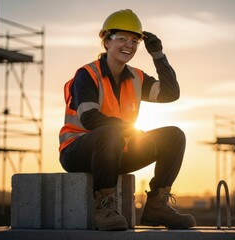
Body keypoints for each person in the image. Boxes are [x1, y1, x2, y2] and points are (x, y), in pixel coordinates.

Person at [59, 9, 196, 231]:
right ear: (106, 42)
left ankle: (156, 205)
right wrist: (130, 131)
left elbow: (171, 93)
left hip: (115, 151)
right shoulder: (87, 74)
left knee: (174, 136)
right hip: (77, 150)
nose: (129, 45)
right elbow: (90, 118)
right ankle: (104, 206)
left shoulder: (136, 78)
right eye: (121, 38)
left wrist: (158, 55)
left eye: (134, 41)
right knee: (109, 133)